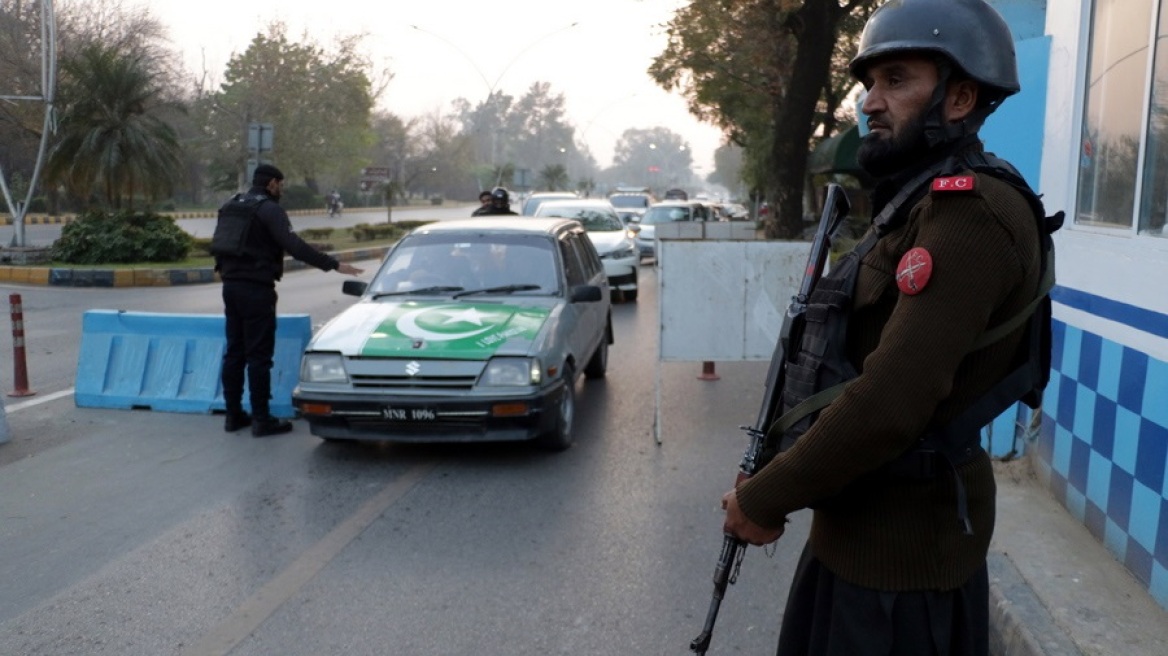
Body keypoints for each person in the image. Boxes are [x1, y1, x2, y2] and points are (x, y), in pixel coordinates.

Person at [719, 1, 1058, 654]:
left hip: (900, 578)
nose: (870, 102)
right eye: (869, 83)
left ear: (960, 97)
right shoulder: (914, 204)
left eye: (896, 80)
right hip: (855, 543)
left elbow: (891, 400)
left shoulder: (971, 213)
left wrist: (767, 497)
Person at [215, 164, 363, 437]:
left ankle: (233, 416)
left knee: (234, 352)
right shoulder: (270, 209)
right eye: (280, 185)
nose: (281, 189)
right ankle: (261, 419)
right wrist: (332, 264)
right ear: (272, 183)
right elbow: (294, 246)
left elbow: (221, 244)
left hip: (230, 286)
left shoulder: (231, 204)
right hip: (257, 289)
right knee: (259, 356)